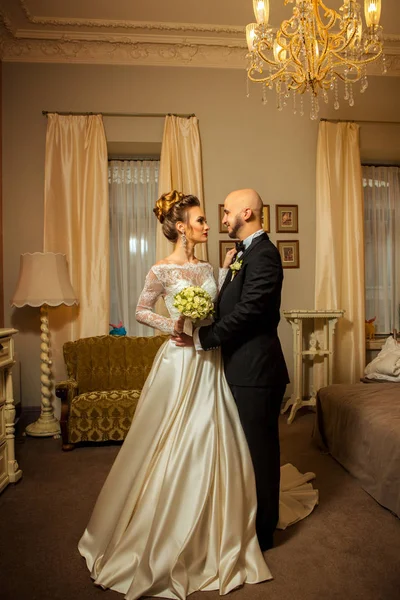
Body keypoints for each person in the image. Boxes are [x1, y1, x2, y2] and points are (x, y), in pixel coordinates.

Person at [78, 190, 317, 600]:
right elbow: (141, 309)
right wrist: (173, 325)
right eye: (203, 219)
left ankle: (232, 518)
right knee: (174, 441)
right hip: (183, 359)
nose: (211, 223)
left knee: (220, 440)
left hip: (213, 360)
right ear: (182, 227)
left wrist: (220, 282)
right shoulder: (162, 269)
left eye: (217, 215)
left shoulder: (216, 263)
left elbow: (226, 305)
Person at [173, 189, 290, 551]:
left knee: (261, 453)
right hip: (239, 367)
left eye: (226, 212)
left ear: (248, 212)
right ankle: (246, 517)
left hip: (257, 372)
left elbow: (251, 309)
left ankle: (264, 532)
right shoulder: (244, 253)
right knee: (242, 451)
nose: (223, 219)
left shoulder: (265, 254)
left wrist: (205, 338)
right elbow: (229, 303)